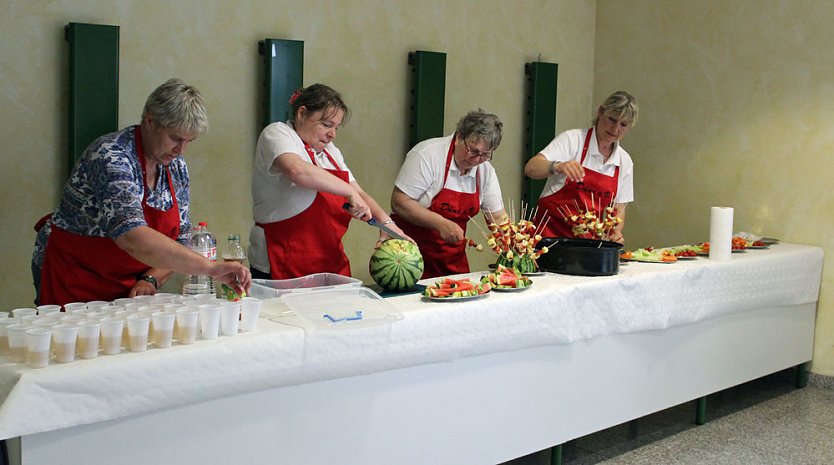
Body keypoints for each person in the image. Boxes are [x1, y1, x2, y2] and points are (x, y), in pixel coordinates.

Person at [32, 78, 250, 306]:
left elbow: (180, 238)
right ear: (150, 121)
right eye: (175, 138)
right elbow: (131, 235)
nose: (180, 150)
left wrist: (151, 279)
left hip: (126, 287)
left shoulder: (175, 166)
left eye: (189, 141)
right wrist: (210, 268)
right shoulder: (111, 156)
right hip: (75, 278)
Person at [248, 84, 408, 280]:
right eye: (326, 125)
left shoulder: (330, 152)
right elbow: (297, 171)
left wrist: (388, 224)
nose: (333, 134)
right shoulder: (278, 133)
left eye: (336, 127)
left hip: (329, 262)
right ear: (301, 113)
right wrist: (349, 193)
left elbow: (359, 191)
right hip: (282, 260)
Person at [390, 109, 507, 278]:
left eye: (485, 155)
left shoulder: (485, 171)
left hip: (452, 262)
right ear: (459, 136)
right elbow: (400, 202)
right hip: (408, 257)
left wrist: (516, 248)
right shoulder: (427, 155)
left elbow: (497, 219)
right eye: (473, 151)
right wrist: (440, 223)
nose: (476, 160)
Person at [524, 91, 638, 243]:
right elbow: (531, 168)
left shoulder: (624, 162)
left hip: (586, 246)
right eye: (612, 119)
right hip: (547, 239)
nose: (615, 129)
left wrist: (614, 233)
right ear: (600, 112)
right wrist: (557, 166)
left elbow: (619, 212)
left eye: (623, 125)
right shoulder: (572, 140)